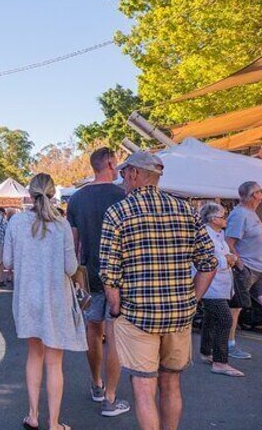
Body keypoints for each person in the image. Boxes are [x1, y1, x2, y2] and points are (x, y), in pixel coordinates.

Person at [101, 151, 217, 430]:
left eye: (123, 174)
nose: (122, 179)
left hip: (137, 313)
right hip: (179, 314)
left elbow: (109, 272)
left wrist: (115, 308)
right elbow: (209, 264)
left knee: (143, 387)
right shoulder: (186, 210)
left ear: (134, 174)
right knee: (171, 383)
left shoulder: (118, 212)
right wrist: (192, 299)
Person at [3, 173, 86, 430]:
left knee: (34, 356)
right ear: (52, 194)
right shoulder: (61, 224)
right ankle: (54, 423)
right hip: (56, 300)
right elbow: (71, 267)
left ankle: (33, 415)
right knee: (54, 363)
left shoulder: (16, 222)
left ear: (30, 194)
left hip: (27, 299)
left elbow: (7, 262)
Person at [65, 147, 130, 417]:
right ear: (110, 163)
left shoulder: (77, 199)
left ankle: (96, 384)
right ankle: (111, 397)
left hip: (90, 274)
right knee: (115, 336)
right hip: (120, 275)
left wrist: (73, 277)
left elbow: (73, 244)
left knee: (93, 331)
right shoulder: (124, 195)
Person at [197, 202, 244, 377]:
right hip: (211, 286)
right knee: (225, 319)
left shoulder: (218, 235)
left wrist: (228, 258)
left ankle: (206, 351)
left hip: (218, 286)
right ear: (212, 219)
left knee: (211, 318)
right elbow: (208, 259)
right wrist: (228, 260)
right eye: (222, 216)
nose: (225, 218)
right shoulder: (206, 236)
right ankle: (220, 361)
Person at [225, 180, 262, 359]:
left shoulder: (251, 213)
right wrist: (241, 266)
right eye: (260, 191)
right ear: (254, 195)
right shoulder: (240, 214)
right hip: (247, 268)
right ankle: (229, 345)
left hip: (258, 267)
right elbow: (229, 243)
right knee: (236, 307)